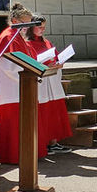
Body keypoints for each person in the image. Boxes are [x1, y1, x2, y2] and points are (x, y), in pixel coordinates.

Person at [0, 3, 47, 164]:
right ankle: (15, 157)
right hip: (13, 89)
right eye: (26, 23)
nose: (27, 28)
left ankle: (29, 154)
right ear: (15, 20)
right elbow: (8, 66)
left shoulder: (16, 36)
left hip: (22, 87)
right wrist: (30, 75)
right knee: (15, 127)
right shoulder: (8, 37)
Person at [25, 15, 73, 155]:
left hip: (52, 82)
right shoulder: (27, 44)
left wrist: (59, 63)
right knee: (43, 113)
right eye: (39, 27)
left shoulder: (46, 42)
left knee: (54, 113)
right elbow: (31, 63)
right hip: (41, 83)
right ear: (32, 27)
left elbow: (55, 57)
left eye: (44, 27)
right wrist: (45, 65)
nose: (42, 30)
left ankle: (53, 142)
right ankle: (44, 143)